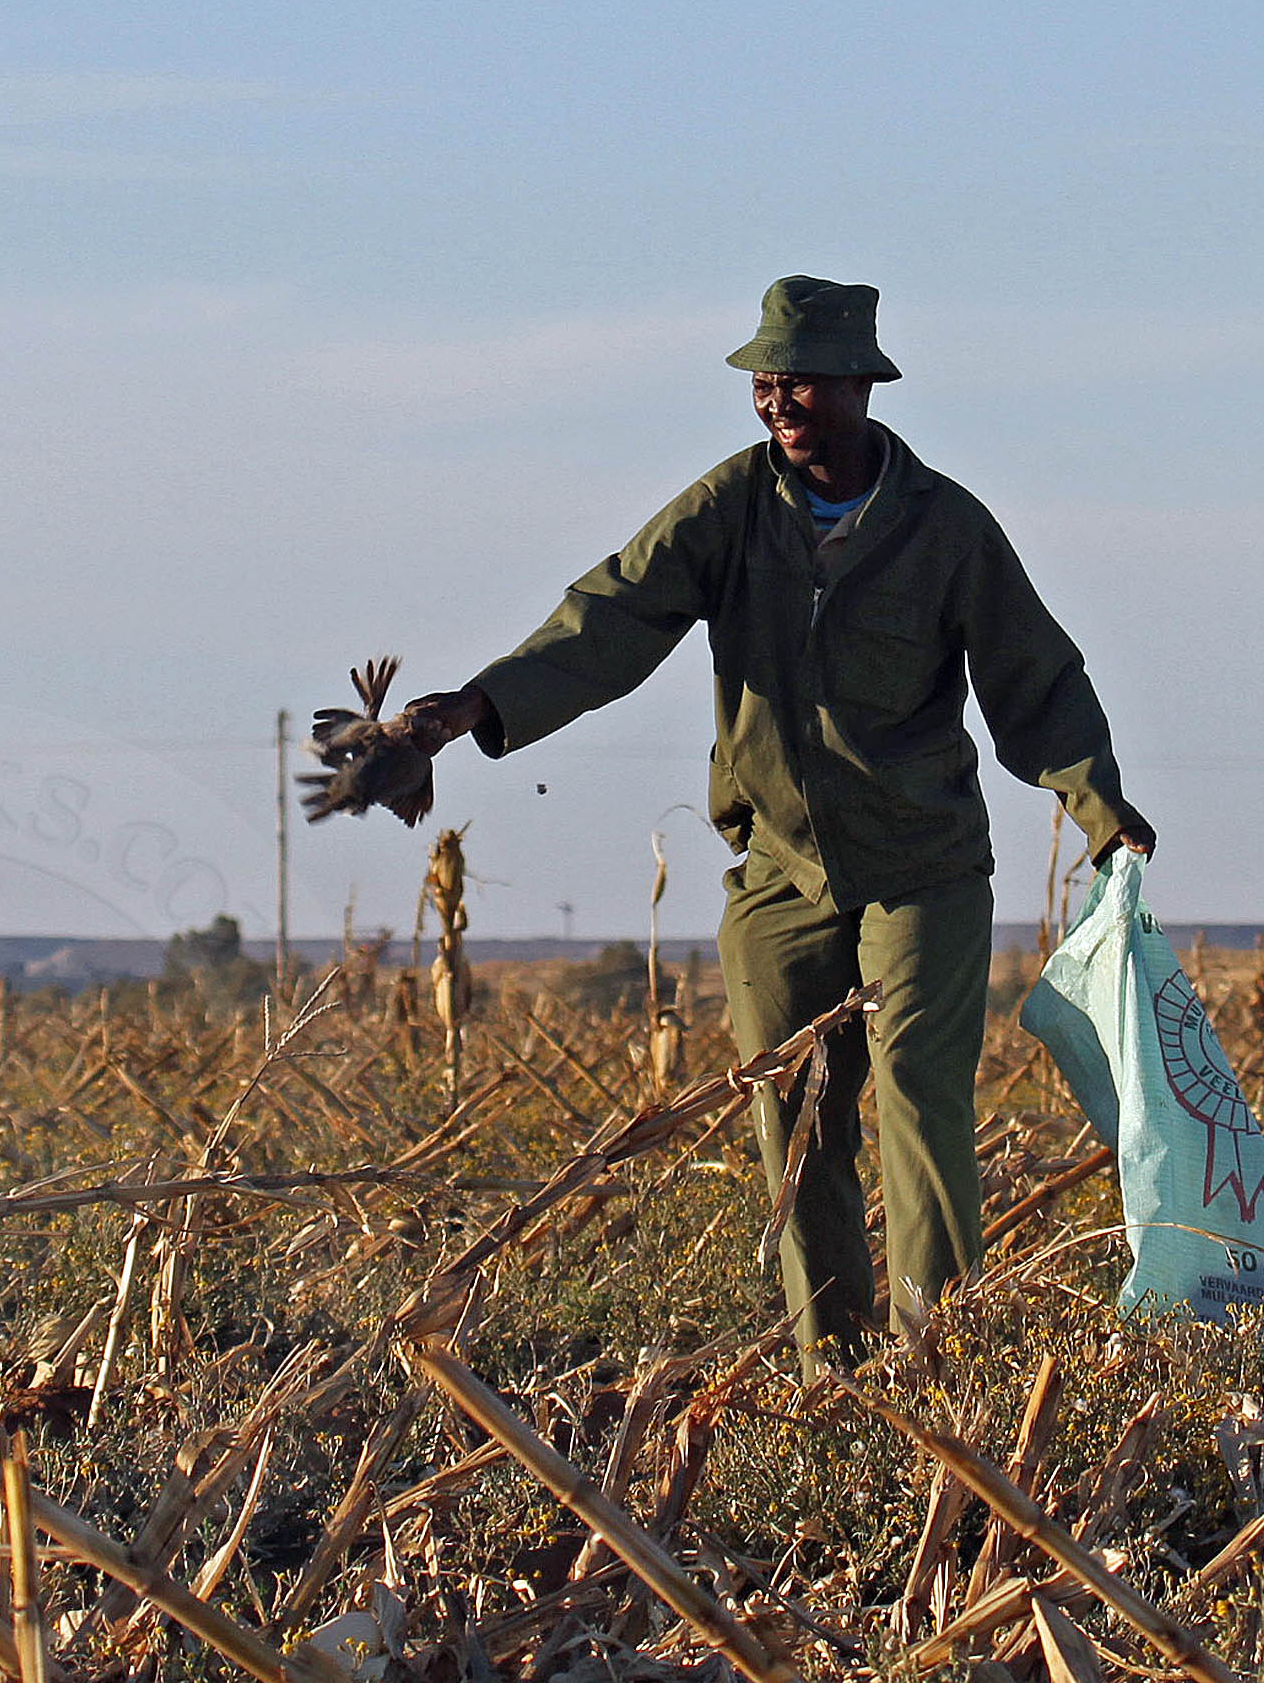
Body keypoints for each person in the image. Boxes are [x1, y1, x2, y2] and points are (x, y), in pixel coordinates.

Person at [405, 276, 1154, 1371]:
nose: (777, 400)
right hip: (779, 874)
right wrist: (478, 705)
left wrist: (1101, 808)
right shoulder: (729, 511)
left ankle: (939, 1366)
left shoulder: (945, 528)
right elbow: (612, 615)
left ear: (859, 384)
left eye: (797, 378)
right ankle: (834, 1376)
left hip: (923, 867)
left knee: (918, 1098)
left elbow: (1034, 679)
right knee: (796, 1120)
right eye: (764, 381)